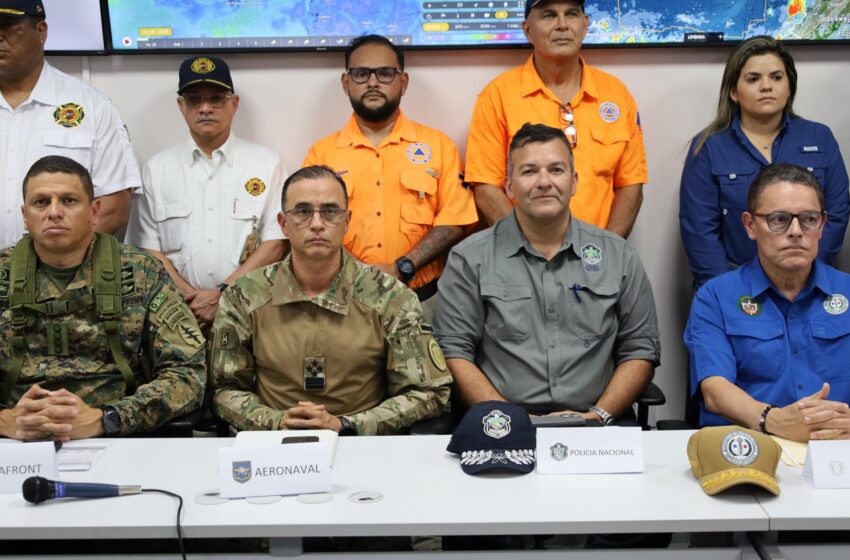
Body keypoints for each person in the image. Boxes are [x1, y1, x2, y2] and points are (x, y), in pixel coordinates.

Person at [434, 123, 659, 424]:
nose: (544, 182)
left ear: (574, 181)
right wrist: (511, 420)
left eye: (556, 170)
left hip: (601, 426)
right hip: (500, 424)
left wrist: (597, 416)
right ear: (509, 185)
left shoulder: (618, 256)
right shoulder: (469, 258)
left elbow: (640, 348)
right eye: (529, 171)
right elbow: (454, 352)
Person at [208, 165, 452, 435]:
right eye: (302, 211)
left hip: (360, 445)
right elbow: (224, 388)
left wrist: (346, 425)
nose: (316, 223)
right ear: (283, 223)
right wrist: (275, 421)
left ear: (347, 221)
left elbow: (429, 391)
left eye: (330, 211)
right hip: (273, 447)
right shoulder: (244, 295)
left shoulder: (390, 296)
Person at [0, 155, 206, 441]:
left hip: (116, 437)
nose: (54, 212)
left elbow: (189, 373)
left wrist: (108, 419)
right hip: (15, 442)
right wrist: (4, 421)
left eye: (69, 201)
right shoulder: (2, 273)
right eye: (41, 202)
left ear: (94, 210)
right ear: (25, 215)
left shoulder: (140, 273)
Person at [303, 35, 477, 312]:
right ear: (346, 83)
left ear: (403, 82)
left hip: (424, 300)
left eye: (385, 73)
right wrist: (359, 274)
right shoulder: (321, 154)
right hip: (344, 301)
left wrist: (403, 267)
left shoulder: (438, 146)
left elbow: (455, 221)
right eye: (361, 74)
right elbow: (310, 226)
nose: (373, 82)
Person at [685, 164, 850, 443]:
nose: (796, 231)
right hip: (748, 447)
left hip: (839, 447)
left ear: (822, 224)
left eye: (809, 219)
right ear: (750, 225)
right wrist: (773, 421)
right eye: (778, 219)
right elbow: (715, 389)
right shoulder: (715, 297)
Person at [125, 56, 287, 330]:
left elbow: (277, 243)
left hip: (250, 313)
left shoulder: (267, 163)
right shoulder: (157, 169)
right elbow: (146, 247)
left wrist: (223, 294)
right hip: (178, 316)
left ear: (233, 104)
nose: (205, 108)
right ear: (181, 106)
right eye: (194, 100)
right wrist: (191, 298)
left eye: (216, 99)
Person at [464, 0, 646, 235]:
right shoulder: (497, 96)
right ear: (528, 29)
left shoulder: (616, 94)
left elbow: (631, 185)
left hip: (597, 259)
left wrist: (601, 255)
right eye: (549, 16)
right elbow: (486, 188)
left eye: (571, 14)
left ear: (585, 24)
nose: (562, 25)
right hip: (522, 262)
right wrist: (530, 252)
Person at [680, 36, 849, 288]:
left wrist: (805, 276)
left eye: (777, 77)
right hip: (735, 284)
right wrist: (725, 292)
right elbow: (699, 230)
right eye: (753, 78)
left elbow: (836, 214)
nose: (766, 86)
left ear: (789, 87)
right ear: (734, 92)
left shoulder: (819, 137)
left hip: (811, 282)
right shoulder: (708, 147)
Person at [0, 0, 141, 248]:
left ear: (41, 32)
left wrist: (47, 262)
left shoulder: (92, 106)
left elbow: (114, 205)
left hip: (61, 279)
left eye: (9, 26)